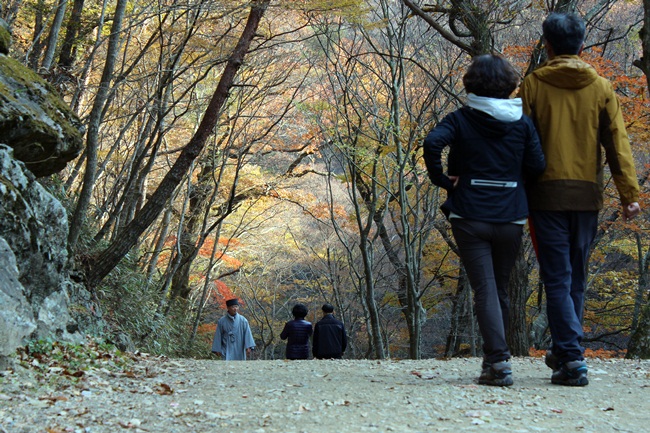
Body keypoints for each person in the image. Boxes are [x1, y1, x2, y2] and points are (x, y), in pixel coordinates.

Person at [520, 12, 640, 387]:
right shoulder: (602, 87)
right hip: (587, 197)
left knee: (556, 277)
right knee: (576, 277)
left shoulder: (532, 86)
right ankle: (565, 349)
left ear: (548, 45)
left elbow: (515, 142)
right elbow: (617, 143)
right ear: (582, 45)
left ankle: (571, 358)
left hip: (545, 197)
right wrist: (629, 195)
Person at [423, 54, 546, 386]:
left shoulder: (461, 119)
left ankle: (498, 362)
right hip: (510, 215)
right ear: (509, 85)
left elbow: (432, 142)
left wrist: (444, 180)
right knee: (500, 287)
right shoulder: (522, 122)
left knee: (485, 288)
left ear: (470, 83)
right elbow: (536, 165)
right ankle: (499, 359)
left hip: (470, 213)